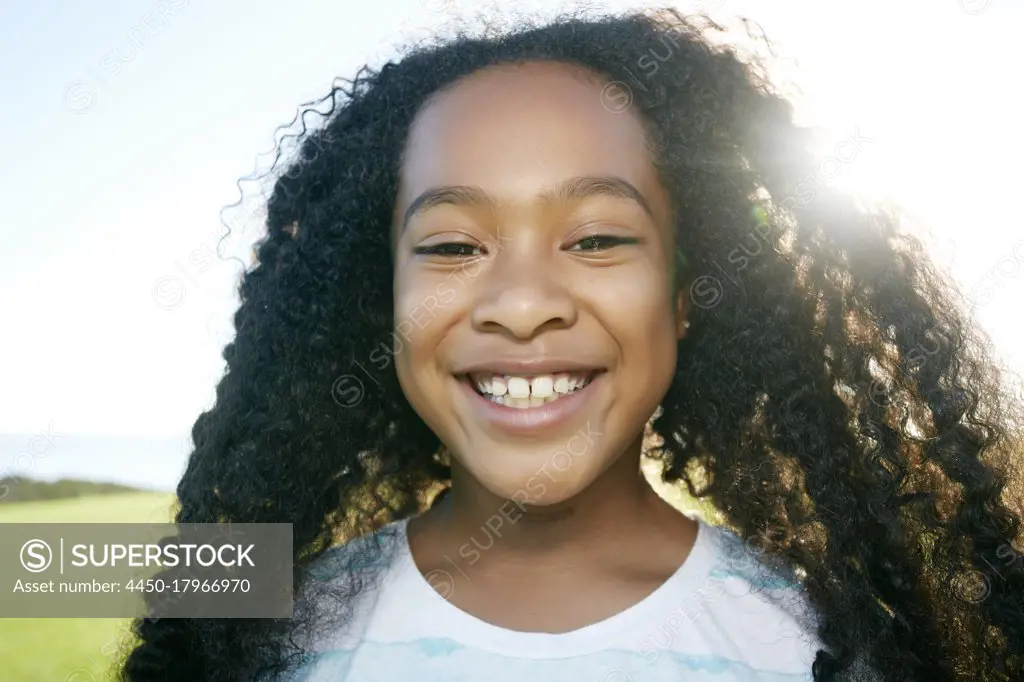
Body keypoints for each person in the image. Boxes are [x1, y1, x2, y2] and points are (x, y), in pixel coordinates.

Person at [118, 7, 1024, 682]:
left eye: (596, 239)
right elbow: (40, 570)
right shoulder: (242, 622)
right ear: (381, 301)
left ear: (687, 296)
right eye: (451, 246)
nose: (521, 305)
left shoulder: (832, 644)